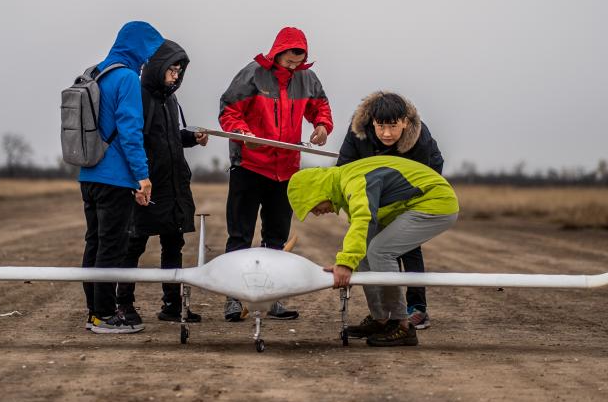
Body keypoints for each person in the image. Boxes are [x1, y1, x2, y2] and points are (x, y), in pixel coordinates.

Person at [218, 26, 334, 321]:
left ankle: (273, 299)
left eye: (299, 62)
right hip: (249, 166)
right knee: (240, 234)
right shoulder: (252, 74)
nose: (294, 67)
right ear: (278, 53)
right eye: (289, 61)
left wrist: (321, 126)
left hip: (286, 171)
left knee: (277, 238)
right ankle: (234, 297)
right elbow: (228, 109)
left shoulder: (307, 78)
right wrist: (241, 132)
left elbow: (321, 107)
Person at [287, 156, 459, 347]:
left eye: (312, 208)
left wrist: (344, 264)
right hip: (411, 204)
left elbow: (363, 220)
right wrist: (349, 266)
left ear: (317, 192)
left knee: (380, 251)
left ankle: (401, 325)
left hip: (435, 202)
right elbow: (359, 236)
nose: (316, 213)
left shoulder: (352, 182)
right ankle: (381, 320)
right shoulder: (342, 185)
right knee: (366, 250)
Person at [115, 40, 208, 325]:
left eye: (180, 71)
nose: (176, 75)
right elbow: (133, 140)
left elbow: (168, 138)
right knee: (133, 245)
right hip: (146, 185)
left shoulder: (170, 98)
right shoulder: (139, 96)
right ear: (157, 68)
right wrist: (138, 180)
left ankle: (172, 305)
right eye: (172, 69)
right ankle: (124, 304)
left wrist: (191, 137)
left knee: (173, 244)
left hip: (174, 187)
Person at [80, 21, 164, 334]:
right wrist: (142, 176)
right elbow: (130, 132)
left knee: (94, 243)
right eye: (149, 51)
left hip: (88, 174)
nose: (148, 60)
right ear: (139, 47)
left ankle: (93, 312)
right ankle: (104, 315)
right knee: (111, 248)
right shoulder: (126, 78)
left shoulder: (96, 73)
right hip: (114, 178)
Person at [336, 91, 444, 330]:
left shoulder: (420, 139)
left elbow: (422, 180)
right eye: (381, 126)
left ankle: (417, 309)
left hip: (415, 185)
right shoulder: (357, 131)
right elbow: (344, 170)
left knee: (406, 244)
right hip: (377, 186)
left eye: (393, 127)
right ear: (371, 121)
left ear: (405, 122)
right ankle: (381, 315)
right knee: (369, 244)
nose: (386, 133)